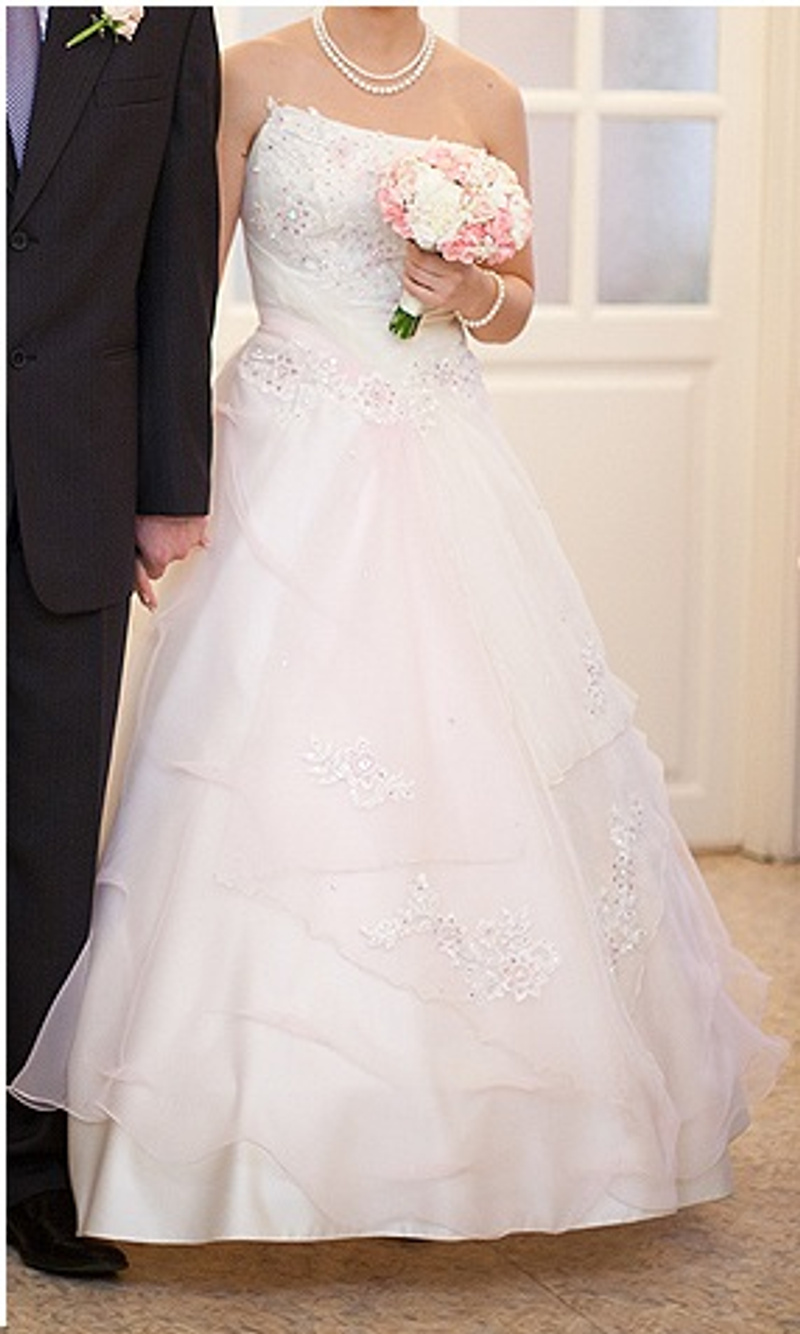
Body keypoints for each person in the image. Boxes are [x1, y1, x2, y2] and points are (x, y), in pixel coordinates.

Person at [11, 6, 786, 1246]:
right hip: (287, 451)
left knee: (471, 760)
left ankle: (457, 1137)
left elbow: (518, 301)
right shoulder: (248, 71)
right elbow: (182, 280)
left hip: (440, 451)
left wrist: (471, 287)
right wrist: (163, 475)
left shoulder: (486, 94)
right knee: (262, 772)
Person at [6, 5, 219, 1276]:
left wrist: (168, 483)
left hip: (68, 486)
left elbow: (177, 258)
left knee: (46, 836)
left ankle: (30, 1164)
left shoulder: (166, 21)